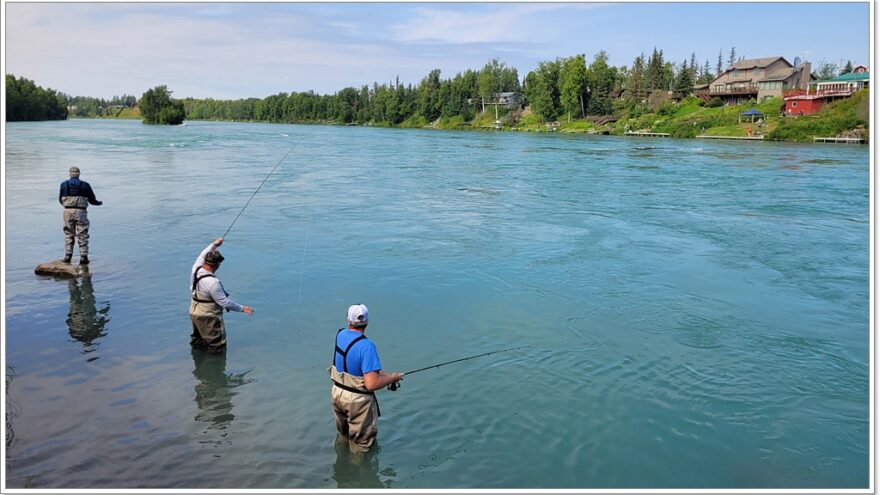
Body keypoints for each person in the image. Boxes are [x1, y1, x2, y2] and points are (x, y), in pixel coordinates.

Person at [329, 304, 403, 453]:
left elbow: (364, 366)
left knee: (343, 436)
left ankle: (340, 468)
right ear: (367, 322)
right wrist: (392, 378)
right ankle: (357, 474)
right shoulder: (367, 346)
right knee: (361, 447)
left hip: (338, 392)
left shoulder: (340, 335)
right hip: (358, 402)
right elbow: (371, 384)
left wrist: (387, 375)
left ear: (348, 320)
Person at [189, 238, 254, 352]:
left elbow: (202, 255)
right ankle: (213, 367)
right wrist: (243, 308)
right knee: (217, 345)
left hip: (194, 311)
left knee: (198, 341)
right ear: (217, 264)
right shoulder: (213, 283)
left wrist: (214, 244)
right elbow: (224, 302)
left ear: (206, 261)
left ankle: (198, 364)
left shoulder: (196, 268)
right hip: (208, 316)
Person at [59, 166, 102, 264]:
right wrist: (99, 203)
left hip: (67, 211)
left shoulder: (63, 184)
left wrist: (68, 206)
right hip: (81, 211)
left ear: (70, 174)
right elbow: (92, 200)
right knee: (82, 234)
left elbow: (60, 200)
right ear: (79, 174)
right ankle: (83, 257)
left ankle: (67, 256)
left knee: (68, 233)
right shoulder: (85, 185)